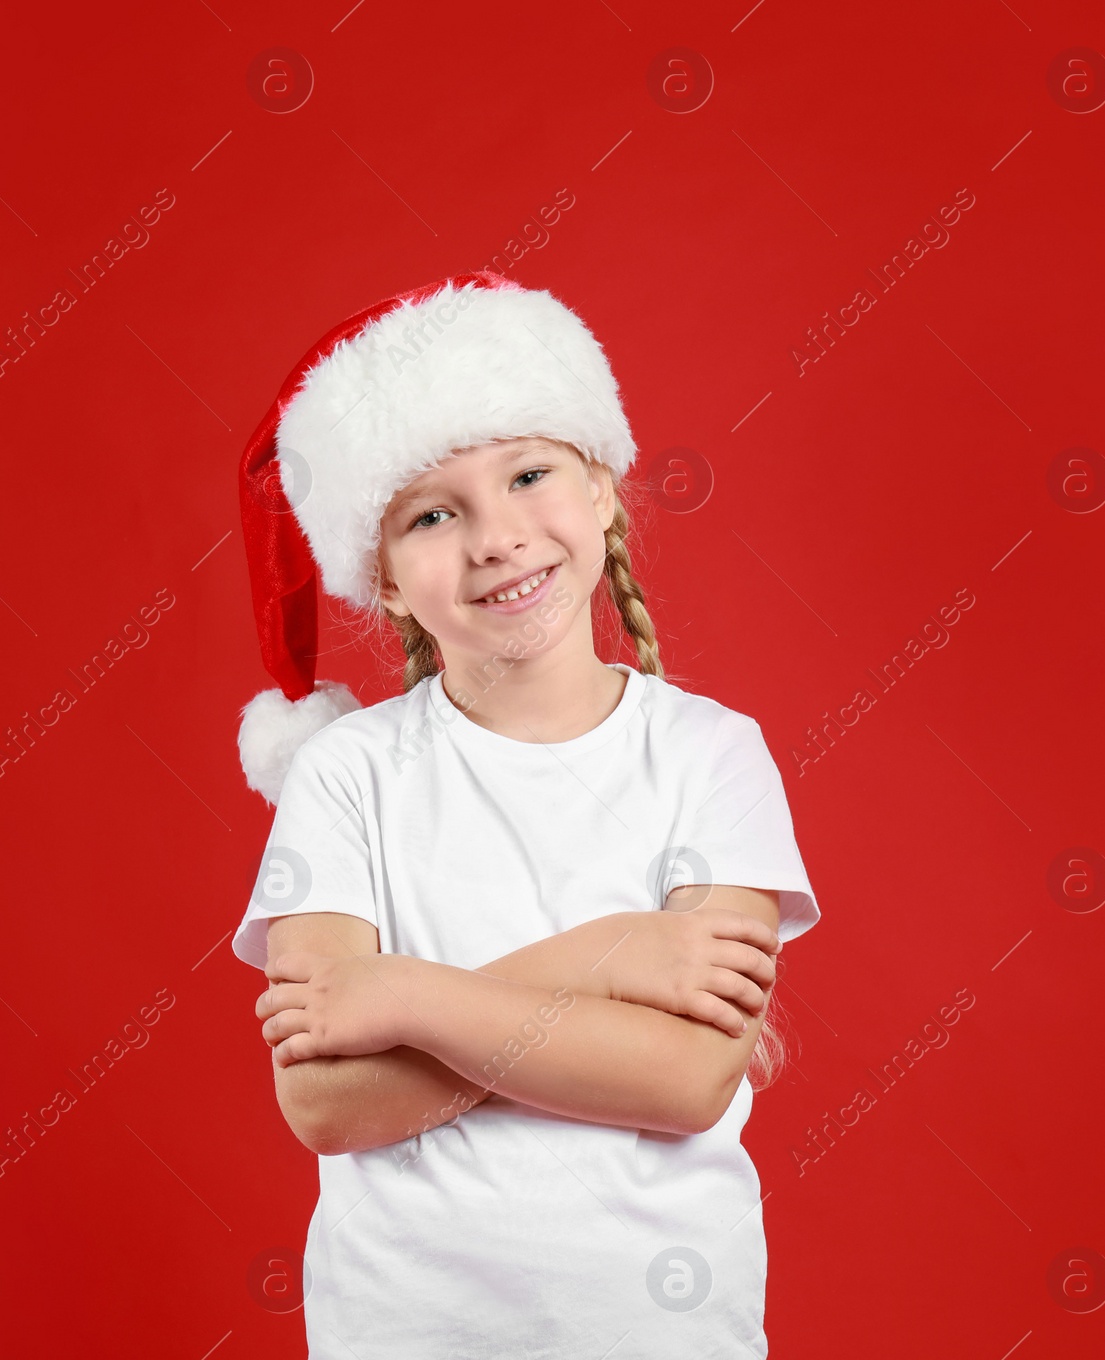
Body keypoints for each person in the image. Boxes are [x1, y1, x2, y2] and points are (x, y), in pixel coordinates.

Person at [230, 270, 822, 1358]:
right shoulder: (346, 776)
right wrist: (613, 958)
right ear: (389, 580)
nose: (496, 536)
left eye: (529, 472)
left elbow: (686, 1078)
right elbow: (330, 1102)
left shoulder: (708, 755)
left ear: (600, 487)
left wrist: (400, 993)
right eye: (431, 512)